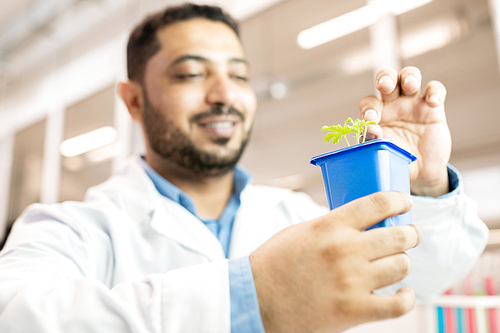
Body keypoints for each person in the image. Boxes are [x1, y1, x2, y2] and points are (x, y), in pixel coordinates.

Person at [0, 3, 488, 333]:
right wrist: (254, 297)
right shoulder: (71, 228)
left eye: (238, 75)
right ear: (133, 100)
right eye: (191, 73)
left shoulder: (299, 215)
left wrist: (419, 185)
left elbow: (413, 278)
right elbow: (18, 316)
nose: (224, 95)